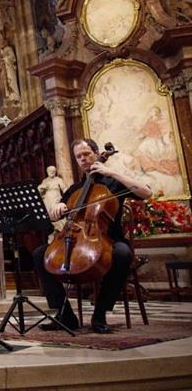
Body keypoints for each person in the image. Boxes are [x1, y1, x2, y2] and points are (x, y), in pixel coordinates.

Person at [32, 139, 151, 333]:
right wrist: (59, 206)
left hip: (109, 240)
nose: (83, 159)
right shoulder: (75, 189)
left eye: (86, 154)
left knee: (122, 254)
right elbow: (60, 208)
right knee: (39, 254)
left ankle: (100, 313)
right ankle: (65, 315)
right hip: (76, 239)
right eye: (79, 156)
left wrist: (111, 172)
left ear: (96, 153)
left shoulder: (114, 183)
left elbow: (146, 193)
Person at [38, 165, 66, 242]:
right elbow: (40, 192)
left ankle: (60, 233)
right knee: (50, 219)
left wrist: (69, 193)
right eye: (50, 171)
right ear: (47, 172)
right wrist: (40, 189)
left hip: (56, 200)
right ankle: (52, 235)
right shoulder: (45, 181)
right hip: (48, 201)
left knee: (58, 216)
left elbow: (64, 189)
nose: (52, 172)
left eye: (53, 171)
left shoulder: (58, 179)